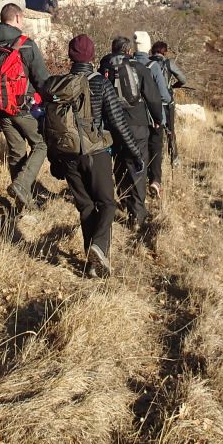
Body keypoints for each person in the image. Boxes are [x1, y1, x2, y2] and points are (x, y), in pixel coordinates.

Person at [47, 34, 144, 277]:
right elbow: (118, 123)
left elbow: (47, 126)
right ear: (92, 56)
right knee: (107, 203)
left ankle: (92, 264)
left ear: (70, 55)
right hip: (96, 153)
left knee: (86, 207)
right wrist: (135, 153)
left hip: (68, 155)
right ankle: (99, 248)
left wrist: (54, 160)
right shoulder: (100, 83)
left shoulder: (59, 85)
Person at [0, 3, 50, 208]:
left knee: (17, 150)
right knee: (41, 144)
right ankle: (21, 184)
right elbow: (42, 81)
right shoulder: (26, 45)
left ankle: (22, 201)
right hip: (23, 109)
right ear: (18, 18)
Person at [99, 36, 163, 230]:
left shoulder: (104, 68)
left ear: (113, 50)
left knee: (119, 164)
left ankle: (125, 201)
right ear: (128, 51)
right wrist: (158, 119)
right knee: (137, 166)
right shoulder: (139, 68)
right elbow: (153, 98)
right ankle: (137, 214)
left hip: (112, 126)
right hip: (137, 125)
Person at [132, 31, 171, 198]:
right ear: (148, 46)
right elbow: (164, 96)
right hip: (154, 117)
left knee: (138, 151)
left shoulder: (128, 64)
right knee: (155, 149)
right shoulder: (153, 66)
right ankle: (155, 181)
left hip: (133, 117)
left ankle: (137, 183)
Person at [149, 41, 188, 167]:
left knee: (153, 131)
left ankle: (153, 159)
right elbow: (183, 79)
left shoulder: (147, 62)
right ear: (164, 51)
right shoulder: (168, 63)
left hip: (150, 102)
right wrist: (175, 86)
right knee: (170, 131)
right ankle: (174, 159)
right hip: (167, 102)